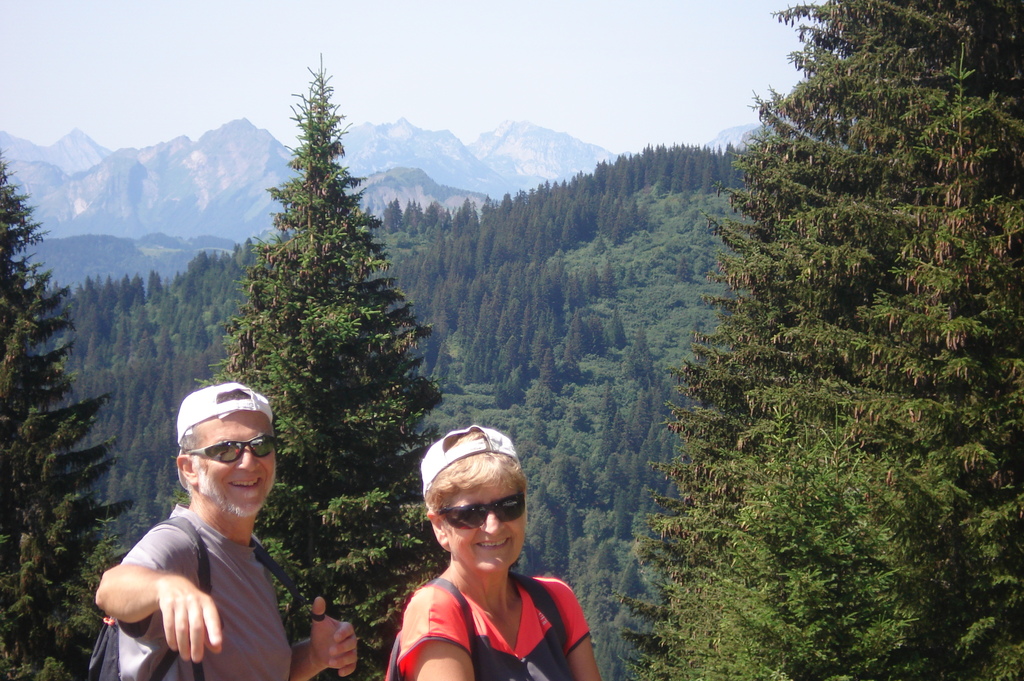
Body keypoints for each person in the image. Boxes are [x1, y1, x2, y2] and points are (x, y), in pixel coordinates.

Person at [95, 382, 358, 681]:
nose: (248, 461)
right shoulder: (180, 543)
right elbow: (110, 588)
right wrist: (165, 588)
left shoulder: (252, 553)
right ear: (189, 469)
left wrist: (314, 656)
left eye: (261, 445)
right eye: (225, 450)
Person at [389, 425, 603, 681]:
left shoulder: (556, 600)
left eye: (508, 506)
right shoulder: (436, 612)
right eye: (470, 514)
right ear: (439, 526)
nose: (493, 526)